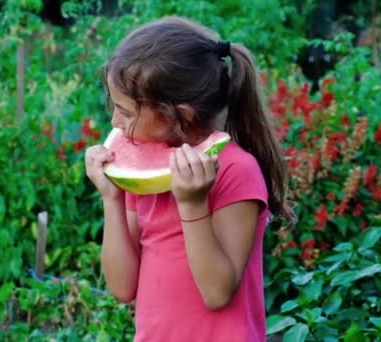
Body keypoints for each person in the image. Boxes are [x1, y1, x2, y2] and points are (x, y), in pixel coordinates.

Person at [85, 16, 294, 342]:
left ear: (180, 115)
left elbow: (217, 292)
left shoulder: (237, 170)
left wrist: (193, 204)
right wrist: (111, 198)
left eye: (126, 112)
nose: (114, 121)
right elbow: (122, 288)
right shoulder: (143, 179)